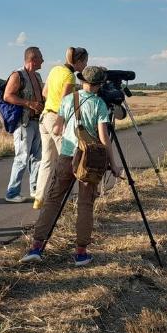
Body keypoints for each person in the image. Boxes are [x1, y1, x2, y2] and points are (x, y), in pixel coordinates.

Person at [20, 66, 121, 267]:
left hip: (67, 156)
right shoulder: (100, 104)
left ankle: (36, 247)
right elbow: (103, 137)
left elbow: (57, 128)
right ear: (100, 84)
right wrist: (113, 164)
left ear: (83, 80)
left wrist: (68, 134)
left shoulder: (68, 100)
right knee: (85, 204)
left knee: (53, 200)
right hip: (89, 160)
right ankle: (81, 253)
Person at [33, 47, 88, 210]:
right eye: (84, 62)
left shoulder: (55, 69)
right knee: (68, 160)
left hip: (44, 118)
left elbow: (44, 92)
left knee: (47, 160)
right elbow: (65, 101)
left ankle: (39, 198)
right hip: (57, 119)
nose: (85, 66)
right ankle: (66, 200)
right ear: (78, 62)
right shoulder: (70, 76)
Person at [3, 47, 45, 203]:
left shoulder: (38, 76)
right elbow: (7, 96)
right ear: (33, 59)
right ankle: (12, 193)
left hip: (36, 122)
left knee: (38, 158)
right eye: (40, 57)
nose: (43, 60)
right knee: (22, 158)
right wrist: (29, 103)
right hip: (24, 123)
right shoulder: (17, 75)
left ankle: (35, 189)